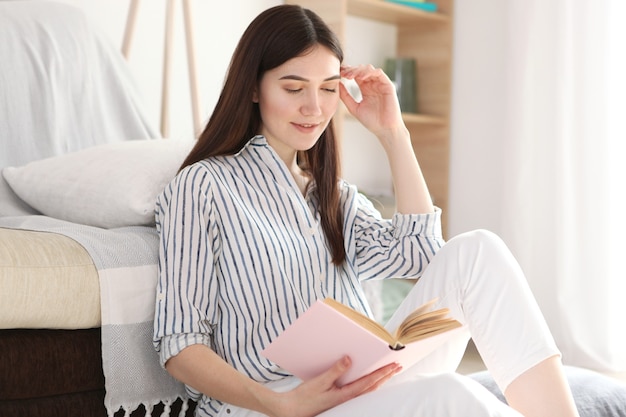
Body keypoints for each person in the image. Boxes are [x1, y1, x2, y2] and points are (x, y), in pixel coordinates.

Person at [153, 4, 579, 417]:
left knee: (478, 250)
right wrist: (281, 405)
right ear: (252, 87)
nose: (315, 108)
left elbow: (423, 257)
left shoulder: (332, 196)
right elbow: (179, 345)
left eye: (327, 88)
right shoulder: (203, 186)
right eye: (293, 87)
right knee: (451, 394)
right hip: (272, 404)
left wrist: (394, 133)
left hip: (361, 383)